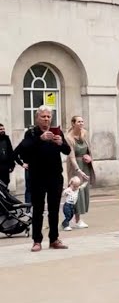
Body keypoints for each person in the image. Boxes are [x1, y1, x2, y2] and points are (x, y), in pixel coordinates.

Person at [17, 106, 71, 252]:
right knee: (38, 209)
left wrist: (61, 143)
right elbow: (22, 149)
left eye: (48, 117)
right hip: (37, 177)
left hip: (55, 176)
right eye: (43, 116)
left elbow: (67, 150)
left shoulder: (56, 132)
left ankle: (54, 239)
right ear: (37, 118)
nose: (46, 119)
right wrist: (40, 139)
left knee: (54, 209)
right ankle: (37, 240)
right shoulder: (31, 133)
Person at [65, 115, 96, 228]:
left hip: (85, 165)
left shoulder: (84, 133)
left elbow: (89, 149)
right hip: (75, 166)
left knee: (84, 191)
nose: (81, 123)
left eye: (82, 121)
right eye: (79, 122)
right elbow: (71, 157)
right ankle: (75, 220)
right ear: (73, 123)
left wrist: (89, 157)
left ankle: (76, 219)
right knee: (76, 191)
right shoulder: (69, 138)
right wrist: (78, 170)